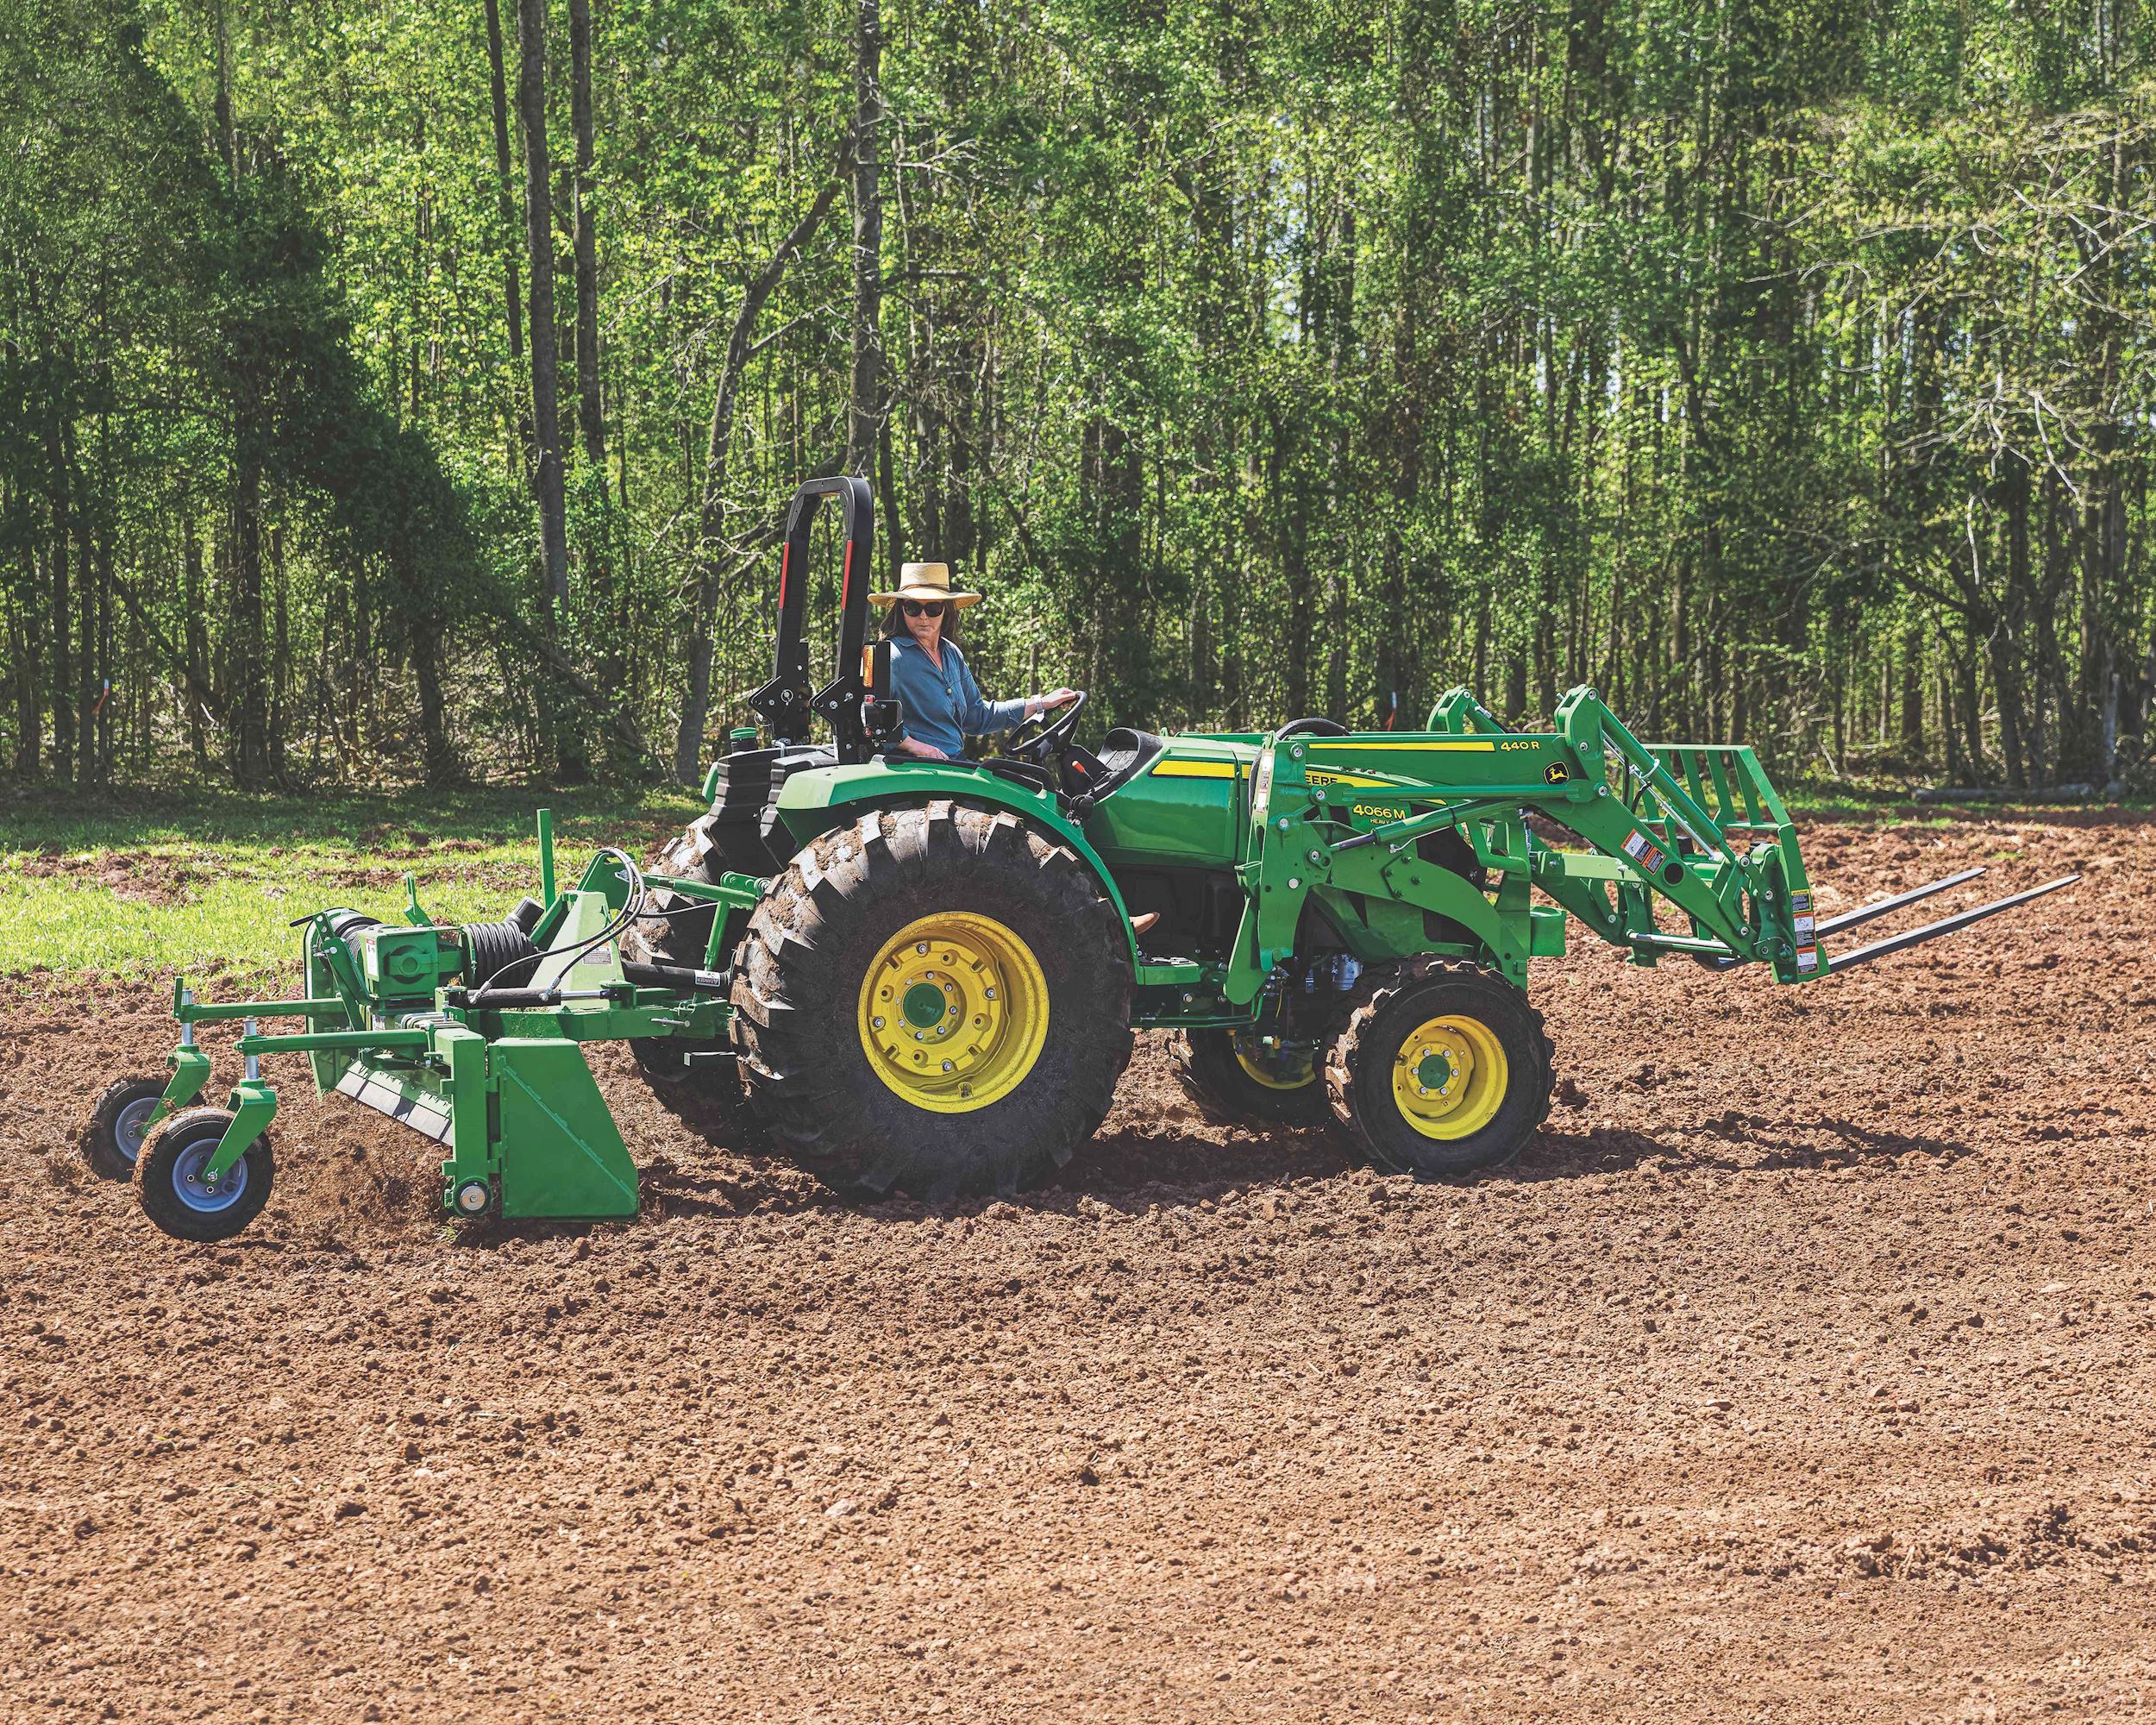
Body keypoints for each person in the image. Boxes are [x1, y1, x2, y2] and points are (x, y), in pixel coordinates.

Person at [871, 561, 1077, 761]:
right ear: (901, 609)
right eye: (913, 608)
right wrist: (913, 745)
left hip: (954, 765)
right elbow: (869, 715)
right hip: (919, 771)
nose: (924, 617)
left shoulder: (951, 654)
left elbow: (977, 717)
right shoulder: (892, 657)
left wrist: (1040, 703)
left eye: (933, 608)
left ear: (946, 610)